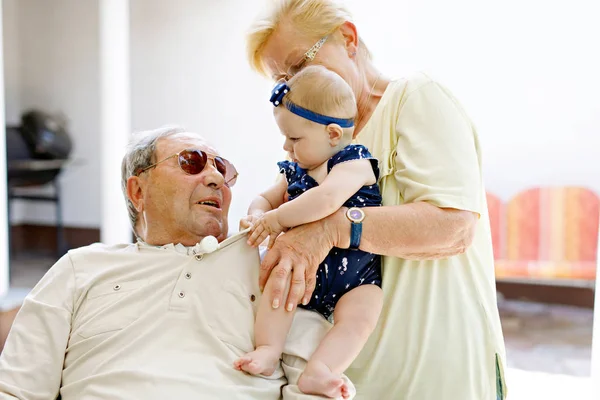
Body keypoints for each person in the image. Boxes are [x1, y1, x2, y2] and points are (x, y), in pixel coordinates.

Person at [245, 1, 507, 399]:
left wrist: (331, 228)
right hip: (352, 384)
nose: (295, 85)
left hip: (439, 379)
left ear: (348, 39)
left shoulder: (415, 98)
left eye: (299, 65)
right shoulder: (314, 148)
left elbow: (452, 228)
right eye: (282, 79)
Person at [0, 126, 356, 400]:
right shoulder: (81, 267)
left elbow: (313, 382)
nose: (216, 178)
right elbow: (17, 389)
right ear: (138, 191)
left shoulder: (271, 266)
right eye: (192, 162)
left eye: (222, 169)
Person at [233, 66, 383, 399]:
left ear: (332, 134)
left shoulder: (353, 163)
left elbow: (327, 199)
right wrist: (257, 214)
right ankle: (269, 349)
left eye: (295, 138)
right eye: (285, 138)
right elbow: (264, 198)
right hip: (302, 268)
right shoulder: (295, 171)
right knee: (277, 283)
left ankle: (322, 370)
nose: (287, 147)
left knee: (362, 315)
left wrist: (276, 220)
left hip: (356, 278)